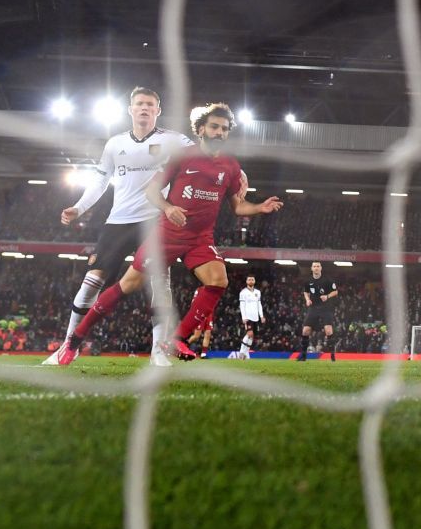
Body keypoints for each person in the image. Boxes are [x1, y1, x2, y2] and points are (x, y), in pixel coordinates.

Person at [52, 103, 281, 365]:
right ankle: (75, 339)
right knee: (128, 285)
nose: (219, 132)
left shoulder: (229, 165)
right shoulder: (182, 156)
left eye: (225, 129)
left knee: (218, 280)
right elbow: (152, 191)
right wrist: (168, 207)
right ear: (202, 129)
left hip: (200, 239)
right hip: (167, 235)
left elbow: (238, 206)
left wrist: (259, 207)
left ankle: (177, 339)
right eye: (215, 126)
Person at [45, 86, 193, 367]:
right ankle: (68, 346)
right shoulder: (114, 144)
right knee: (92, 282)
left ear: (158, 111)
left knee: (159, 283)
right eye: (139, 104)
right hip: (118, 221)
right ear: (130, 109)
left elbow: (204, 157)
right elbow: (101, 180)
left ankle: (158, 353)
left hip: (155, 222)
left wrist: (238, 171)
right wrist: (79, 207)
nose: (144, 108)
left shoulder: (173, 140)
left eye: (150, 104)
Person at [300, 260, 339, 363]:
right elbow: (306, 292)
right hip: (313, 308)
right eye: (314, 266)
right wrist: (307, 300)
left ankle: (332, 355)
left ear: (321, 268)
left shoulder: (327, 280)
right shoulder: (308, 280)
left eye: (318, 266)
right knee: (305, 331)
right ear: (312, 268)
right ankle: (303, 356)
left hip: (326, 308)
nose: (316, 268)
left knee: (328, 331)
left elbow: (335, 292)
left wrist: (327, 296)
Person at [234, 273, 264, 359]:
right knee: (249, 333)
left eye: (252, 279)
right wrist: (244, 317)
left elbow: (259, 305)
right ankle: (241, 352)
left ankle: (246, 353)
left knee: (252, 336)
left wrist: (261, 316)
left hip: (256, 318)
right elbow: (242, 306)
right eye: (249, 279)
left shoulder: (258, 292)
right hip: (248, 317)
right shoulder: (243, 292)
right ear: (246, 281)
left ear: (254, 281)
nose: (251, 281)